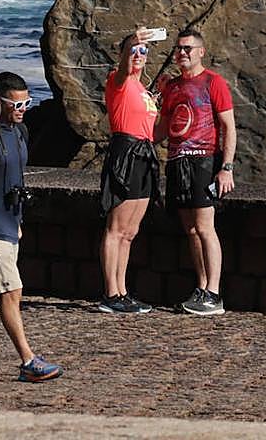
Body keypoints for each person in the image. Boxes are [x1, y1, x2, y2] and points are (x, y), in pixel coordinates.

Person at [0, 72, 61, 381]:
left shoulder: (20, 131)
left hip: (11, 222)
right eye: (16, 103)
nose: (23, 107)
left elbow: (16, 178)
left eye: (27, 101)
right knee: (12, 290)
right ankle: (27, 360)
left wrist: (19, 219)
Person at [155, 28, 236, 315]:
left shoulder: (214, 82)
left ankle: (214, 293)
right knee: (190, 229)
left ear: (201, 51)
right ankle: (201, 288)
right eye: (178, 49)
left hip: (204, 161)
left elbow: (228, 126)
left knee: (205, 227)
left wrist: (225, 168)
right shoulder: (173, 86)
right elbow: (162, 130)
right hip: (178, 162)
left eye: (188, 48)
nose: (183, 53)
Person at [97, 26, 161, 314]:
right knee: (116, 227)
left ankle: (122, 290)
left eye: (143, 51)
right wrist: (131, 42)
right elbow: (123, 68)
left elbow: (153, 128)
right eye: (134, 50)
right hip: (126, 150)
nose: (138, 55)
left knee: (130, 231)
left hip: (145, 152)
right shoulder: (118, 81)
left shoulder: (143, 89)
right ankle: (111, 292)